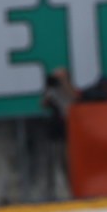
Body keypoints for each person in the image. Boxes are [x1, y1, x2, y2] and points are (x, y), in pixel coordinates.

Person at [42, 68, 76, 199]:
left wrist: (64, 83)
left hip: (70, 133)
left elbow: (74, 99)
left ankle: (72, 190)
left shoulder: (69, 91)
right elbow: (44, 104)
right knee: (56, 162)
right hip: (56, 132)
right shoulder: (52, 92)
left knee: (69, 164)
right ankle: (57, 192)